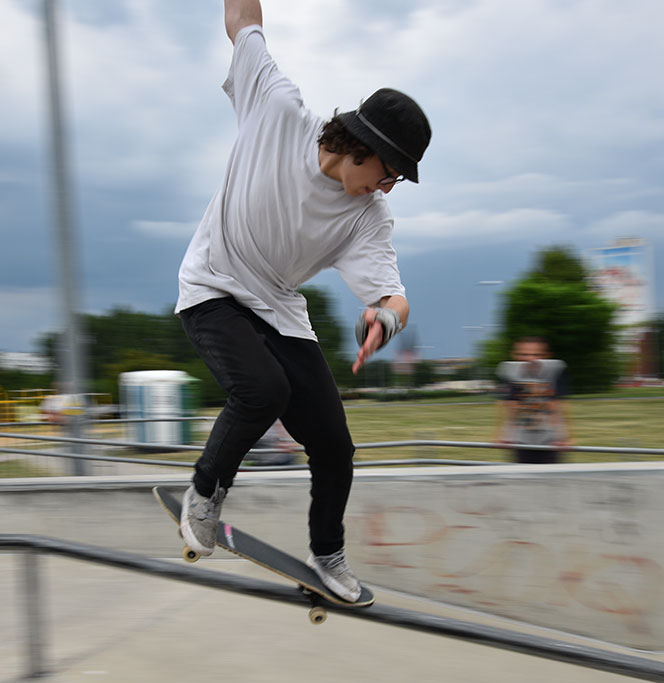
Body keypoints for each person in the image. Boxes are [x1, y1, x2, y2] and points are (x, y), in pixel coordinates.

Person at [174, 0, 431, 603]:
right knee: (263, 390)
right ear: (361, 145)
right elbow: (244, 24)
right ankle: (204, 493)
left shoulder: (368, 216)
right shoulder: (277, 106)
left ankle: (328, 554)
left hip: (280, 310)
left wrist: (384, 320)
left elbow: (395, 297)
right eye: (388, 173)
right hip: (212, 288)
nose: (387, 188)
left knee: (335, 445)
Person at [495, 337, 572, 464]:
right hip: (521, 438)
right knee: (524, 472)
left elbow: (557, 405)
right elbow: (510, 405)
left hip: (549, 438)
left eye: (537, 355)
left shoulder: (555, 369)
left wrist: (563, 436)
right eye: (524, 354)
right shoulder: (510, 371)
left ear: (546, 356)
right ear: (515, 355)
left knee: (550, 472)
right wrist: (505, 435)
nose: (530, 359)